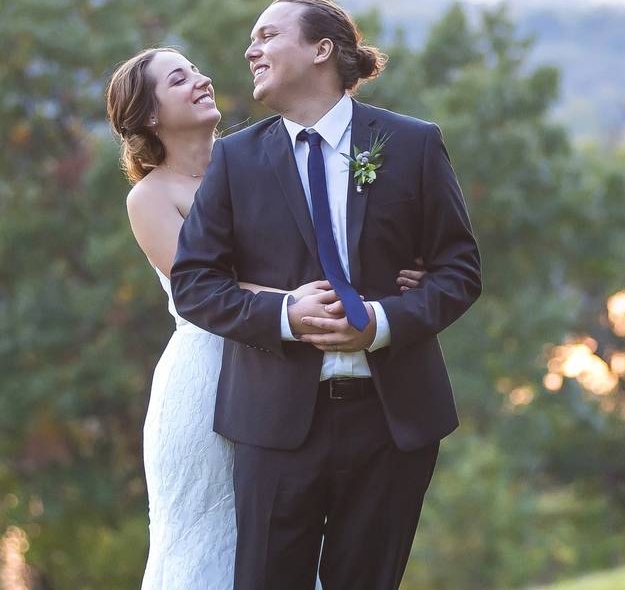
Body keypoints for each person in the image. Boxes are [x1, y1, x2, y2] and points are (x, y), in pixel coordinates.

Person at [170, 0, 482, 589]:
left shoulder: (413, 144)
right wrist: (285, 314)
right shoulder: (235, 159)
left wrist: (382, 322)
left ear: (321, 50)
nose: (249, 49)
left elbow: (459, 268)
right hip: (274, 425)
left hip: (392, 425)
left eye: (267, 36)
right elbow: (194, 284)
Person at [106, 47, 427, 589]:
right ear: (150, 116)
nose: (201, 80)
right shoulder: (152, 196)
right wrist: (329, 300)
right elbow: (203, 285)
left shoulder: (259, 164)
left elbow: (332, 240)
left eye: (197, 69)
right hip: (207, 377)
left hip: (287, 375)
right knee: (210, 536)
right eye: (179, 79)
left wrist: (396, 279)